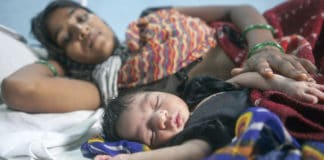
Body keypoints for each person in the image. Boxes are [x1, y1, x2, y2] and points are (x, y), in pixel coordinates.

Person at [1, 0, 317, 113]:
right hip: (258, 83)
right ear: (66, 55)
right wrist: (53, 61)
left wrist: (264, 46)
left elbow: (239, 8)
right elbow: (20, 89)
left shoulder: (150, 16)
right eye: (67, 37)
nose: (81, 30)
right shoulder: (104, 86)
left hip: (270, 35)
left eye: (80, 18)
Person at [95, 72, 324, 160]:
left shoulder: (198, 90)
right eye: (152, 132)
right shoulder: (193, 136)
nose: (160, 118)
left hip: (279, 102)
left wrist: (286, 84)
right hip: (270, 125)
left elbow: (244, 78)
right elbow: (194, 152)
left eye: (155, 103)